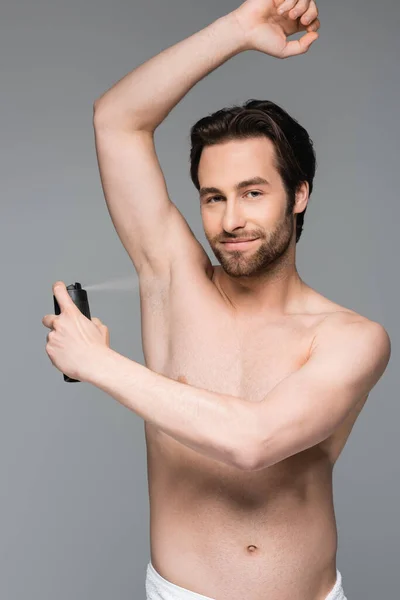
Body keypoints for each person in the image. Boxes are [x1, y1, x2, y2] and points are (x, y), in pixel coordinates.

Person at [91, 1, 391, 598]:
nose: (231, 220)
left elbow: (253, 442)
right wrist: (237, 30)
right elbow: (116, 120)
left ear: (299, 194)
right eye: (213, 197)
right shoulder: (174, 281)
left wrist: (98, 362)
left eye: (253, 192)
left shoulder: (351, 338)